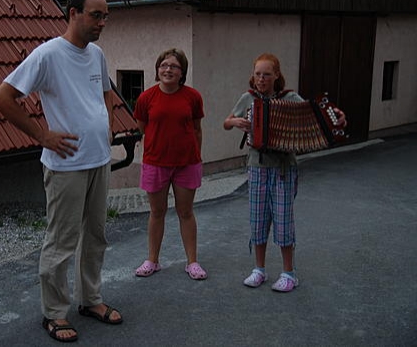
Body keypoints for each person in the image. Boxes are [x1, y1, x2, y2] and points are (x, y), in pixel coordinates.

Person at [0, 0, 122, 343]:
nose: (102, 23)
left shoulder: (96, 54)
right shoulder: (48, 55)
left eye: (105, 16)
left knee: (96, 235)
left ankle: (91, 300)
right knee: (62, 241)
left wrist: (108, 125)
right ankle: (54, 312)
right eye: (96, 15)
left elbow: (107, 92)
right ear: (73, 13)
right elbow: (3, 98)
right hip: (66, 165)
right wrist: (42, 135)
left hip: (98, 159)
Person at [223, 53, 346, 292]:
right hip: (257, 167)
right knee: (258, 220)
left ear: (276, 75)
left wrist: (337, 117)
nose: (261, 79)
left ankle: (289, 273)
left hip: (283, 169)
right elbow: (226, 122)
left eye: (266, 74)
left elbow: (314, 114)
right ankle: (259, 269)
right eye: (258, 74)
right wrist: (235, 122)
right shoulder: (248, 99)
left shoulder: (289, 98)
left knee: (283, 221)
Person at [133, 48, 207, 280]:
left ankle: (192, 262)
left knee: (186, 212)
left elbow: (196, 129)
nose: (168, 70)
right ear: (157, 70)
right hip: (155, 163)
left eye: (174, 66)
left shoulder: (193, 97)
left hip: (186, 163)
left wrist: (196, 156)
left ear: (182, 72)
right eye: (164, 65)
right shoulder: (146, 98)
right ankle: (152, 260)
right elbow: (142, 128)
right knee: (157, 212)